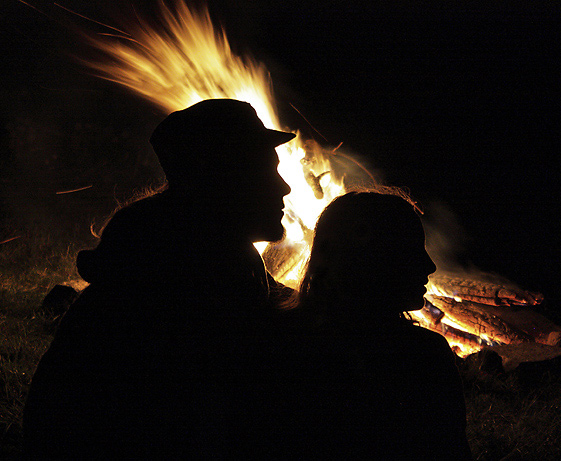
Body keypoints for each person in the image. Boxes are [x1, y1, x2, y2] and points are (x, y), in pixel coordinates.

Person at [23, 99, 295, 458]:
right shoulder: (181, 285)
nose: (284, 188)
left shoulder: (196, 244)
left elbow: (277, 301)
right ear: (221, 176)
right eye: (265, 171)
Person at [273, 190, 472, 459]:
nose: (430, 266)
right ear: (374, 258)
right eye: (412, 250)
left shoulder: (282, 342)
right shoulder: (422, 355)